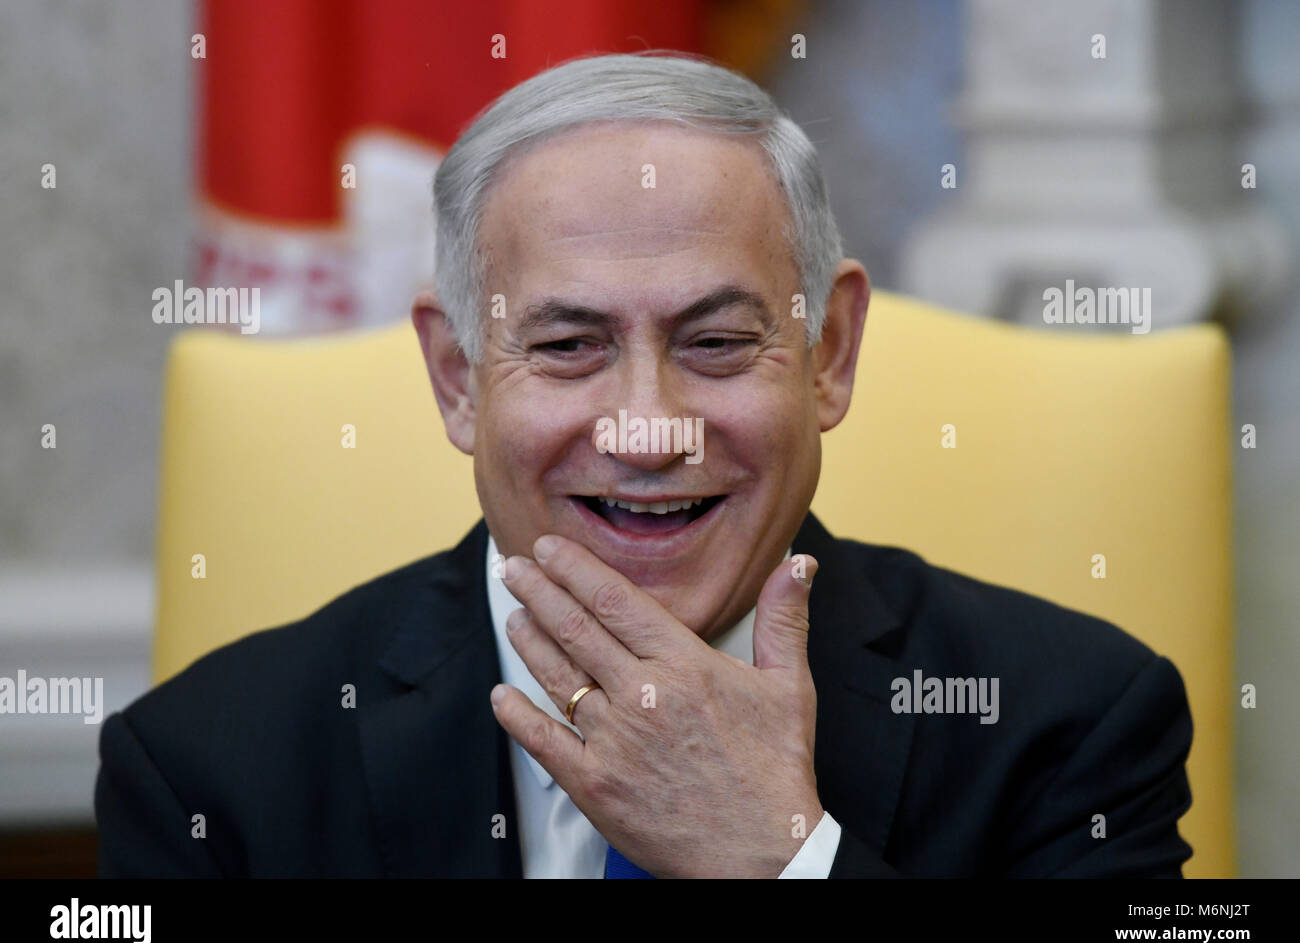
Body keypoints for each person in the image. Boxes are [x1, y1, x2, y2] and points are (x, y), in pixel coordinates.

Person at [95, 51, 1193, 877]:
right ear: (457, 377)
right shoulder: (205, 767)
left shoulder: (1073, 718)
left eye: (715, 342)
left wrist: (783, 858)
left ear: (827, 355)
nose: (645, 429)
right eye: (568, 346)